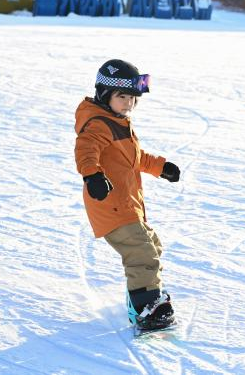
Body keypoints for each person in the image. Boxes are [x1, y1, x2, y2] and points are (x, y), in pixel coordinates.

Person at [74, 59, 181, 332]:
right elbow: (86, 149)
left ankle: (142, 294)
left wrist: (160, 167)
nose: (128, 104)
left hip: (127, 203)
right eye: (122, 97)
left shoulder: (118, 122)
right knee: (141, 252)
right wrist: (92, 175)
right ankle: (146, 308)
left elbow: (134, 157)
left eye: (133, 98)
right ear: (104, 94)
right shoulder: (98, 124)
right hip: (109, 203)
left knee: (152, 245)